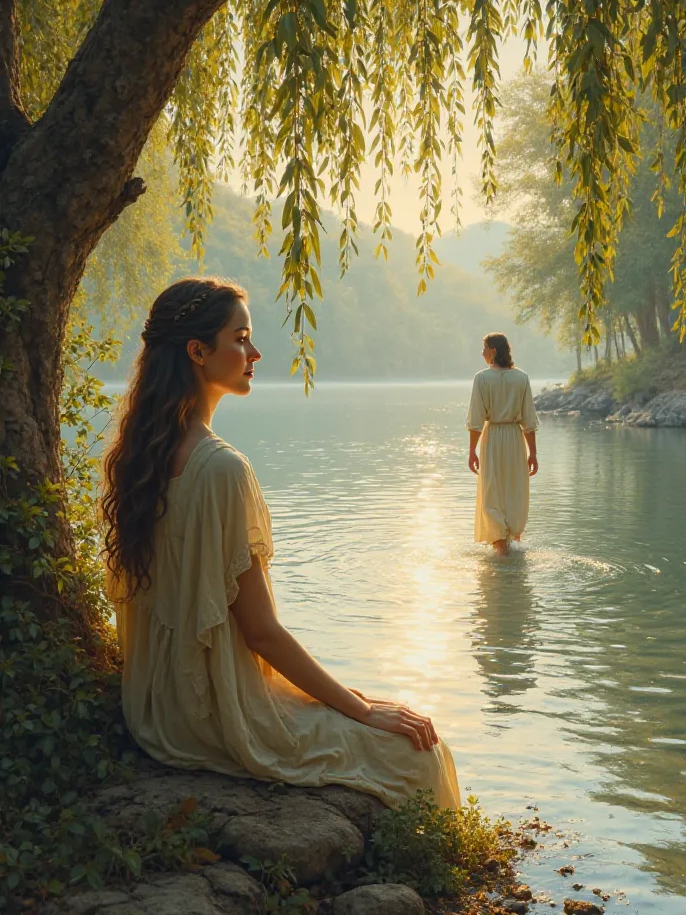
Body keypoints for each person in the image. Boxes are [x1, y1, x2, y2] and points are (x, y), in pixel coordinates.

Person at [101, 276, 459, 810]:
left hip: (154, 705)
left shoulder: (137, 454)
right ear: (198, 351)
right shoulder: (221, 469)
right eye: (240, 338)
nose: (255, 352)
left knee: (370, 716)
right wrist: (362, 711)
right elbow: (262, 632)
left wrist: (352, 702)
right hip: (208, 715)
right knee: (420, 754)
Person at [466, 333, 539, 556]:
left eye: (484, 348)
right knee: (514, 489)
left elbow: (476, 420)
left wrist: (472, 451)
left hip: (494, 437)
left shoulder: (482, 378)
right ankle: (510, 545)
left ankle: (501, 551)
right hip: (516, 439)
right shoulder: (522, 378)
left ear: (493, 351)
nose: (482, 353)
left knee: (492, 491)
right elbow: (529, 420)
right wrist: (533, 453)